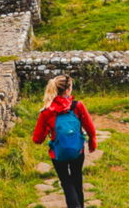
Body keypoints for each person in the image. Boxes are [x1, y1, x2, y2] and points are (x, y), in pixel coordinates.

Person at [32, 75, 97, 208]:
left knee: (66, 182)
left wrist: (47, 130)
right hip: (77, 151)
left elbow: (37, 139)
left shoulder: (46, 111)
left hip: (58, 153)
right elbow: (89, 125)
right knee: (77, 179)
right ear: (68, 89)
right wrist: (92, 140)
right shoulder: (77, 106)